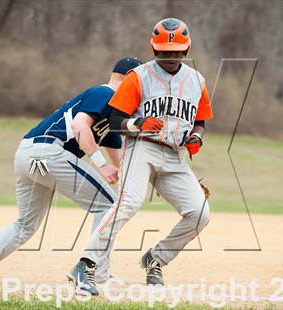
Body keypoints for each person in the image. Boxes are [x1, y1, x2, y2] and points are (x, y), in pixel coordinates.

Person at [0, 57, 143, 284]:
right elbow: (80, 126)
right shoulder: (105, 94)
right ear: (129, 77)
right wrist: (101, 165)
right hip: (50, 153)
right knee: (108, 206)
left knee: (24, 225)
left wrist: (145, 176)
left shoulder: (111, 113)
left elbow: (121, 158)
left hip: (28, 155)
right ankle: (97, 274)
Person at [68, 18, 213, 296]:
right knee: (128, 203)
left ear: (187, 48)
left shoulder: (197, 81)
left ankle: (155, 259)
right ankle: (85, 265)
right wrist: (138, 124)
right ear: (152, 47)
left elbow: (201, 121)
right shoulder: (139, 76)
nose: (170, 57)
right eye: (163, 51)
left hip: (173, 155)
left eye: (177, 51)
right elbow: (114, 120)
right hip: (141, 148)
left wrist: (196, 138)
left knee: (199, 214)